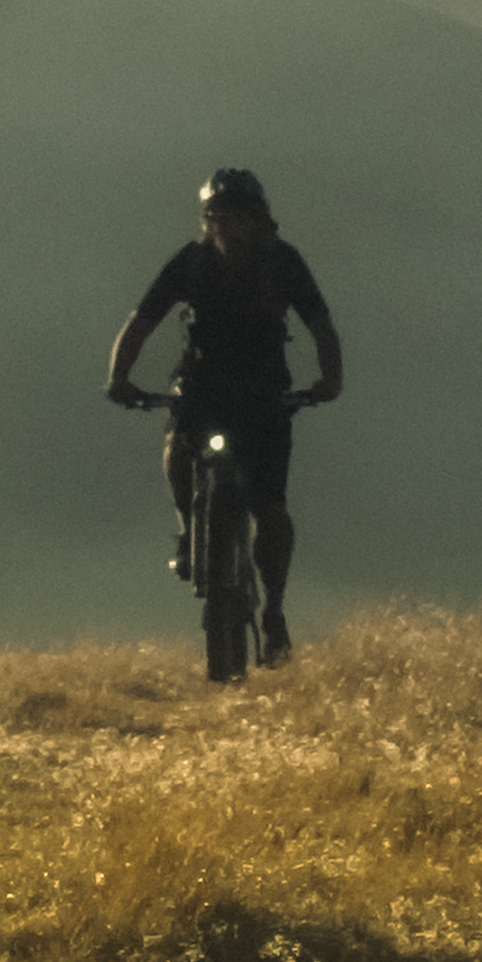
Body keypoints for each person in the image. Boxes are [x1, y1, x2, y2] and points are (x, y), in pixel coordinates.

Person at [104, 168, 344, 666]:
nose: (226, 225)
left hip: (264, 397)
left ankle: (273, 610)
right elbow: (142, 321)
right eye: (217, 215)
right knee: (177, 449)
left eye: (236, 216)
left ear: (258, 219)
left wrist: (330, 379)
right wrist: (119, 377)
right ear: (207, 220)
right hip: (202, 389)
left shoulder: (284, 263)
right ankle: (189, 533)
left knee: (270, 509)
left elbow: (321, 324)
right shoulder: (190, 263)